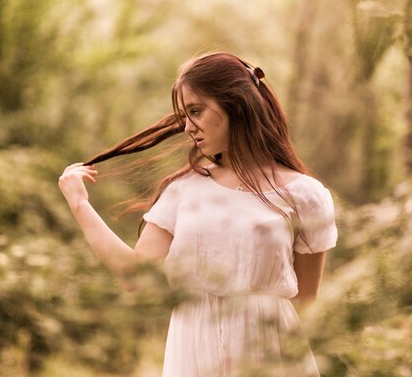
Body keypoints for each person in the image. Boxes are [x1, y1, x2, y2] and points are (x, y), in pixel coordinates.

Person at [58, 51, 338, 377]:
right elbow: (134, 275)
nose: (188, 127)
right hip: (191, 351)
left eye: (196, 111)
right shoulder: (184, 189)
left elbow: (305, 296)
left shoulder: (306, 195)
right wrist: (80, 204)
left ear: (236, 104)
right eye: (184, 116)